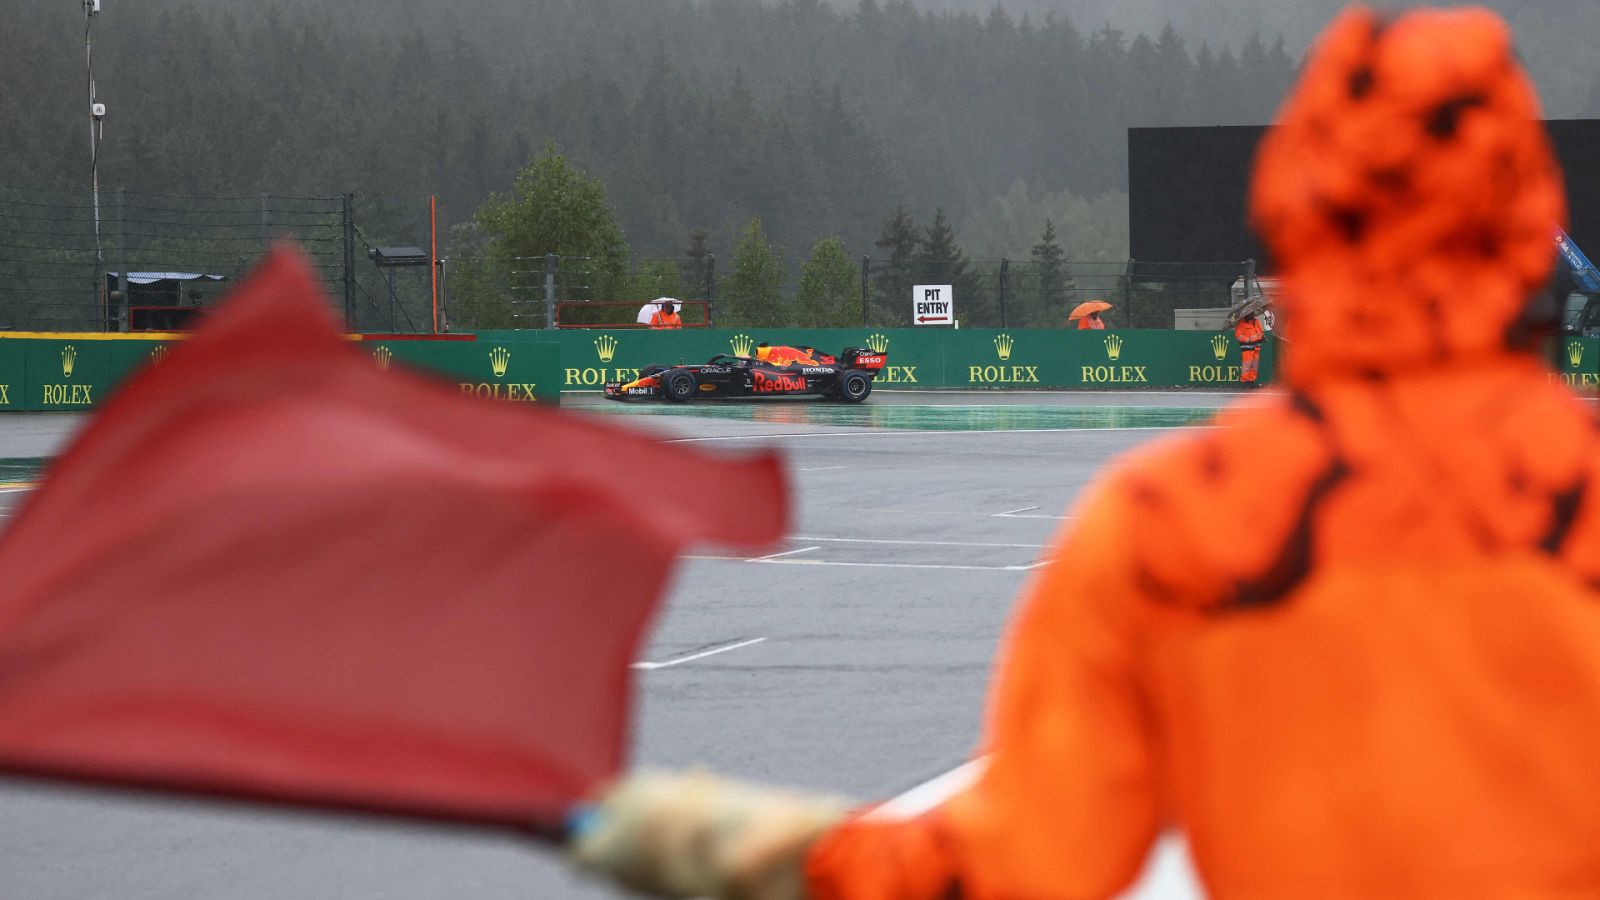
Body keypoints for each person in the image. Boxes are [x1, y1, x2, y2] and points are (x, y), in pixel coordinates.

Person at [571, 7, 1600, 898]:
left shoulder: (1175, 519)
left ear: (1299, 209)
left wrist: (736, 849)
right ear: (1526, 227)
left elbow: (1014, 865)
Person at [1234, 308, 1265, 387]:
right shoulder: (1241, 323)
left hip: (1256, 347)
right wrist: (1247, 340)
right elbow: (1238, 335)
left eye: (1253, 313)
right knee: (1247, 365)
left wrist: (1262, 337)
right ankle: (1245, 381)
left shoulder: (1256, 322)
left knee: (1254, 366)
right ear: (1246, 315)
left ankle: (1251, 381)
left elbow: (1260, 332)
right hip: (1247, 348)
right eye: (1251, 313)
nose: (1253, 315)